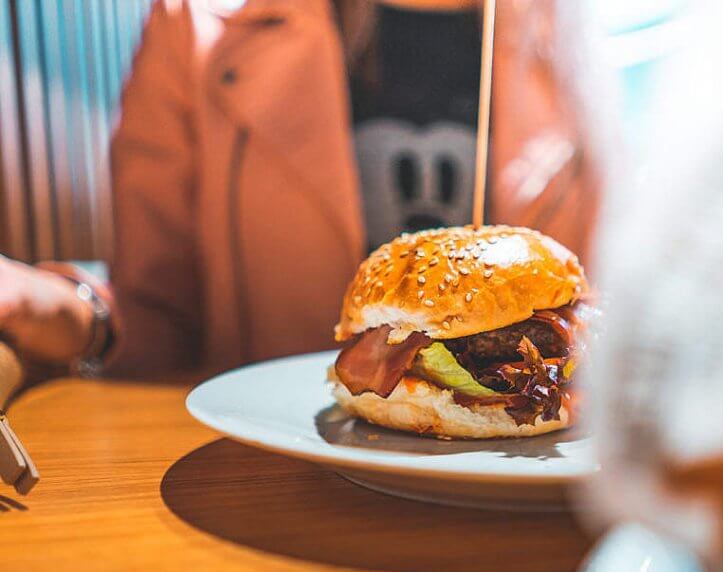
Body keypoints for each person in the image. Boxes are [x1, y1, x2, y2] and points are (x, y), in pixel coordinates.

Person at [0, 0, 604, 378]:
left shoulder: (574, 37)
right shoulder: (192, 25)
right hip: (270, 478)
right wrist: (70, 309)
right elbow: (162, 317)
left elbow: (596, 302)